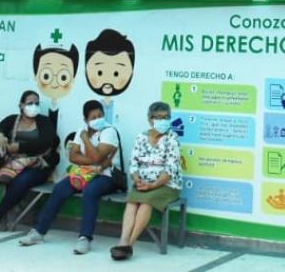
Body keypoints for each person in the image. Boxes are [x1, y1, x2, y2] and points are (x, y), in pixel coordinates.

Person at [20, 99, 119, 254]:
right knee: (60, 188)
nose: (98, 119)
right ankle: (39, 232)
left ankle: (85, 238)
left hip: (106, 176)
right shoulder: (82, 129)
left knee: (90, 192)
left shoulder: (109, 131)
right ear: (86, 119)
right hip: (83, 174)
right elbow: (73, 156)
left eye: (100, 115)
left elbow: (98, 158)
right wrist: (93, 160)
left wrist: (86, 140)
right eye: (93, 117)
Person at [0, 89, 58, 234]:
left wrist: (17, 147)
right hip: (11, 162)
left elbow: (44, 143)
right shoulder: (13, 120)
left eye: (36, 103)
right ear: (21, 105)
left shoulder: (44, 122)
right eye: (30, 103)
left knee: (21, 181)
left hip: (37, 164)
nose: (34, 106)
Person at [110, 101, 182, 261]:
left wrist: (153, 185)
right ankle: (122, 240)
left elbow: (170, 170)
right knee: (132, 201)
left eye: (167, 117)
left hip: (166, 185)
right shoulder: (141, 137)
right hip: (142, 183)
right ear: (150, 119)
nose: (164, 121)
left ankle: (130, 245)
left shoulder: (173, 138)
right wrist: (137, 180)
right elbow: (133, 163)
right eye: (159, 117)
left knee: (146, 202)